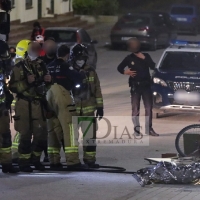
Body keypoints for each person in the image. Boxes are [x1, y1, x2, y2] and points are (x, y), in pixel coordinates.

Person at [9, 42, 52, 172]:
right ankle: (24, 162)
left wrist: (48, 81)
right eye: (34, 49)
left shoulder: (42, 65)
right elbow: (12, 86)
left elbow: (45, 88)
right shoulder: (19, 67)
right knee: (25, 135)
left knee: (41, 134)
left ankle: (35, 159)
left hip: (37, 103)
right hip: (23, 104)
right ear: (28, 50)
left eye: (38, 49)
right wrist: (27, 82)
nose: (37, 51)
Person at [47, 44, 87, 170]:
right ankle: (72, 161)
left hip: (48, 96)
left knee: (53, 129)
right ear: (67, 55)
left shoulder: (48, 66)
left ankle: (54, 161)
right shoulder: (65, 66)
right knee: (70, 128)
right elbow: (77, 78)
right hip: (62, 95)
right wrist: (81, 74)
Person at [117, 38, 159, 137]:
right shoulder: (129, 58)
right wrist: (125, 72)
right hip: (135, 86)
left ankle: (149, 129)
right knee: (135, 109)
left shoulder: (146, 56)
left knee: (148, 108)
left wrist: (144, 58)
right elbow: (119, 68)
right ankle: (136, 130)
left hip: (146, 86)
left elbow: (153, 66)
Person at [70, 44, 104, 167]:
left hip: (88, 112)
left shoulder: (91, 72)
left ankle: (90, 160)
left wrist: (100, 107)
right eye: (78, 58)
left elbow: (97, 90)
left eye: (82, 58)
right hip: (72, 111)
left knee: (90, 138)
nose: (80, 61)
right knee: (72, 139)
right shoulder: (68, 71)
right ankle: (73, 161)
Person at [0, 40, 19, 173]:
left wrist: (7, 95)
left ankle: (6, 163)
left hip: (1, 107)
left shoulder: (2, 69)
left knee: (5, 136)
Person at [11, 39, 31, 163]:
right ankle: (16, 154)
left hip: (21, 101)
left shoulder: (17, 64)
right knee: (24, 129)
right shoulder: (20, 67)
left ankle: (17, 153)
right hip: (21, 102)